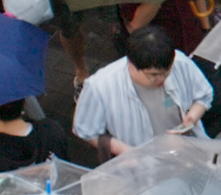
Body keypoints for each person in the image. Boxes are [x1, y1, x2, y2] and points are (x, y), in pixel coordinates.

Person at [74, 26, 209, 155]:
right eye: (153, 75)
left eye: (167, 72)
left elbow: (203, 95)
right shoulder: (100, 86)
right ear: (131, 65)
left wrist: (192, 117)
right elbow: (85, 130)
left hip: (186, 151)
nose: (162, 79)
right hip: (141, 166)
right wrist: (127, 152)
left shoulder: (180, 62)